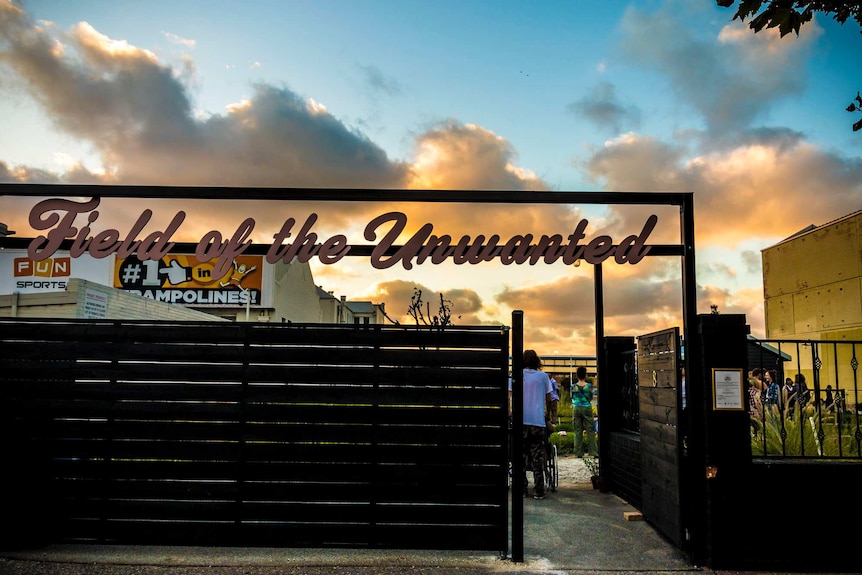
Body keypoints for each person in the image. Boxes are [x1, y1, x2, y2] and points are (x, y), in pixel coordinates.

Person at [508, 349, 553, 500]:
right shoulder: (543, 377)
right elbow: (549, 398)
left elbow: (509, 397)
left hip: (520, 421)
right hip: (537, 422)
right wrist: (546, 415)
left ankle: (521, 489)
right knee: (537, 457)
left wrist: (510, 413)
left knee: (519, 457)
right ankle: (539, 490)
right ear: (536, 361)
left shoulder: (516, 375)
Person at [571, 366, 598, 458]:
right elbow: (590, 397)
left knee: (578, 430)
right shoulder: (589, 386)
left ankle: (578, 452)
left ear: (577, 375)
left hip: (577, 407)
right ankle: (593, 451)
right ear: (585, 375)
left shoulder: (574, 386)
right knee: (590, 430)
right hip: (587, 407)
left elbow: (573, 397)